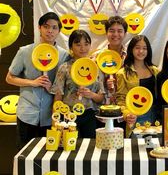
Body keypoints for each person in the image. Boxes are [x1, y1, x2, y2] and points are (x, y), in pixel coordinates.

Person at [6, 12, 68, 149]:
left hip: (51, 116)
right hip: (27, 113)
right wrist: (32, 82)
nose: (50, 31)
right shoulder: (25, 51)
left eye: (54, 27)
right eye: (46, 26)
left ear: (59, 31)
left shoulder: (64, 55)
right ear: (39, 28)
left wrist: (52, 87)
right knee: (24, 155)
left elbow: (65, 85)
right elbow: (9, 78)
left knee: (48, 156)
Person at [51, 29, 104, 138]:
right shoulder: (64, 67)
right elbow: (58, 96)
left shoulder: (95, 68)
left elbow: (101, 98)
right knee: (68, 147)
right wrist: (55, 120)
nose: (83, 48)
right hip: (67, 114)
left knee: (89, 149)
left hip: (89, 115)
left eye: (86, 44)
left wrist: (91, 95)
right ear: (71, 47)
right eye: (78, 44)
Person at [116, 35, 159, 137]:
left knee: (153, 148)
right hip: (134, 116)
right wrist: (127, 114)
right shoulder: (122, 73)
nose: (141, 51)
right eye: (137, 47)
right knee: (136, 149)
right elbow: (121, 99)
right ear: (131, 49)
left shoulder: (155, 71)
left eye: (144, 48)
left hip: (154, 116)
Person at [91, 15, 128, 105]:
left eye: (119, 31)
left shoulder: (130, 57)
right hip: (102, 108)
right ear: (106, 33)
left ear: (125, 34)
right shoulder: (96, 57)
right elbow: (91, 83)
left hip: (126, 107)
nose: (115, 34)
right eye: (112, 31)